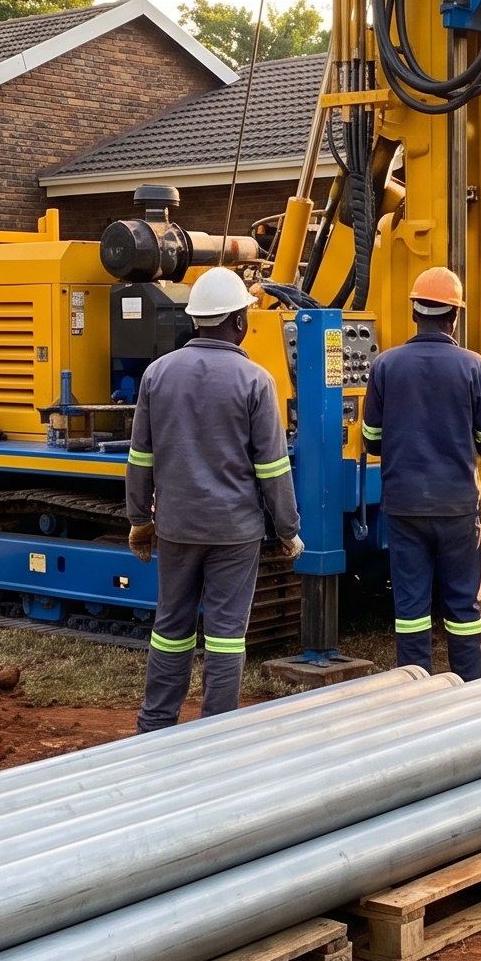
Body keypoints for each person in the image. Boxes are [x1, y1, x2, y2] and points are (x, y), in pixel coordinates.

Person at [124, 267, 302, 734]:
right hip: (234, 532)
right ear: (239, 320)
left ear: (197, 319)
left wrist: (140, 520)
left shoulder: (157, 374)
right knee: (225, 636)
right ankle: (215, 734)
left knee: (171, 628)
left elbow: (140, 457)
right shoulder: (255, 380)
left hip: (176, 527)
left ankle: (154, 727)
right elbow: (273, 467)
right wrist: (288, 529)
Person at [360, 266, 481, 680]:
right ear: (454, 316)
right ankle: (470, 690)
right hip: (457, 506)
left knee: (410, 608)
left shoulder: (385, 366)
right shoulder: (474, 367)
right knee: (463, 607)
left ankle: (414, 690)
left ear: (414, 312)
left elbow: (371, 439)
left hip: (404, 505)